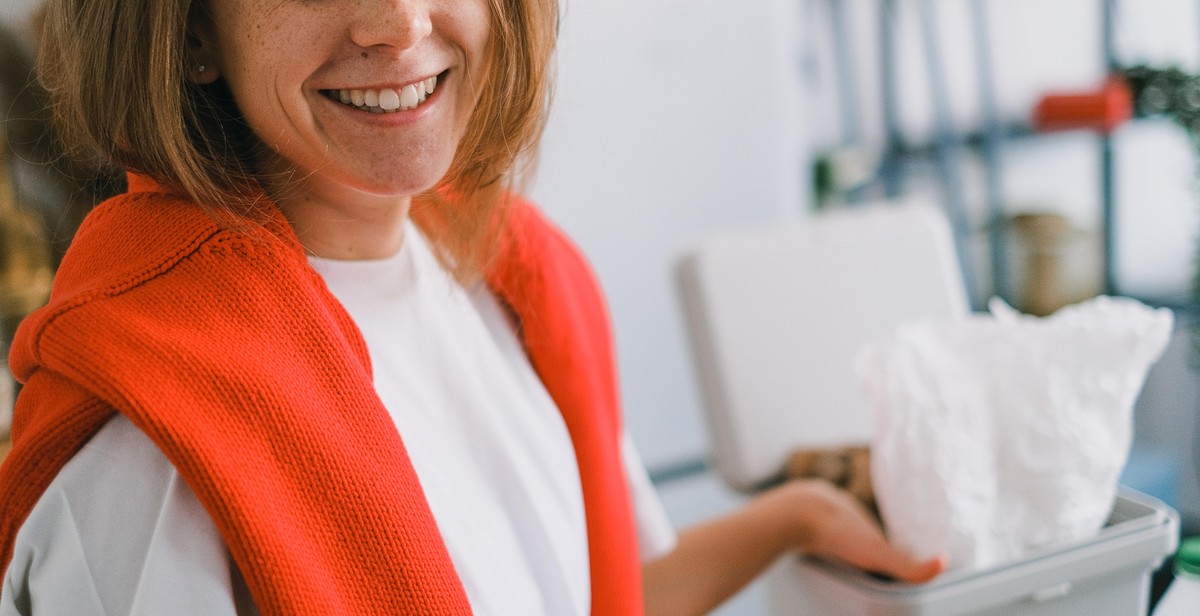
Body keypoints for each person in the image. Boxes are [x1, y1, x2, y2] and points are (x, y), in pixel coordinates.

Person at [0, 0, 945, 614]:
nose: (400, 24)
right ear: (191, 31)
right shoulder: (156, 450)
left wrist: (796, 518)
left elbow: (593, 590)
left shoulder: (506, 275)